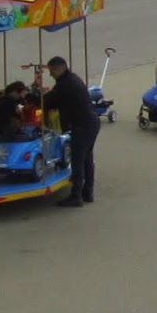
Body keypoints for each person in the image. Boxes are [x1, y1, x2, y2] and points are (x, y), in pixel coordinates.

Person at [44, 55, 98, 206]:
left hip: (82, 126)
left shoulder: (65, 84)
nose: (50, 75)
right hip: (91, 123)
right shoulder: (73, 78)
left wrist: (37, 98)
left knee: (77, 161)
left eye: (51, 71)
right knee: (87, 159)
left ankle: (76, 196)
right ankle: (87, 193)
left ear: (58, 69)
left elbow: (49, 100)